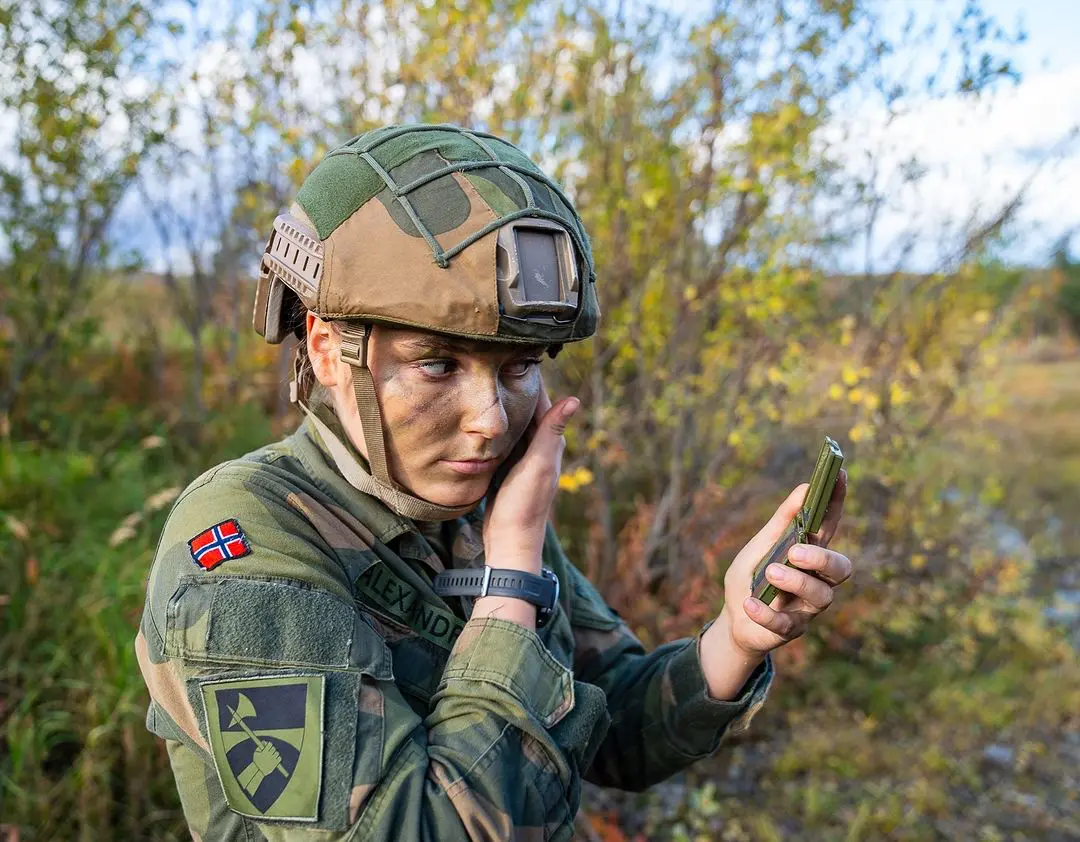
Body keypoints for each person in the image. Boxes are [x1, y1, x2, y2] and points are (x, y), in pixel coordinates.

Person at [135, 123, 852, 841]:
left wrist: (739, 635)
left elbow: (614, 730)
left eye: (519, 370)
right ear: (327, 349)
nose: (488, 421)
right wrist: (510, 578)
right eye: (438, 365)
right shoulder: (243, 549)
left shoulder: (476, 509)